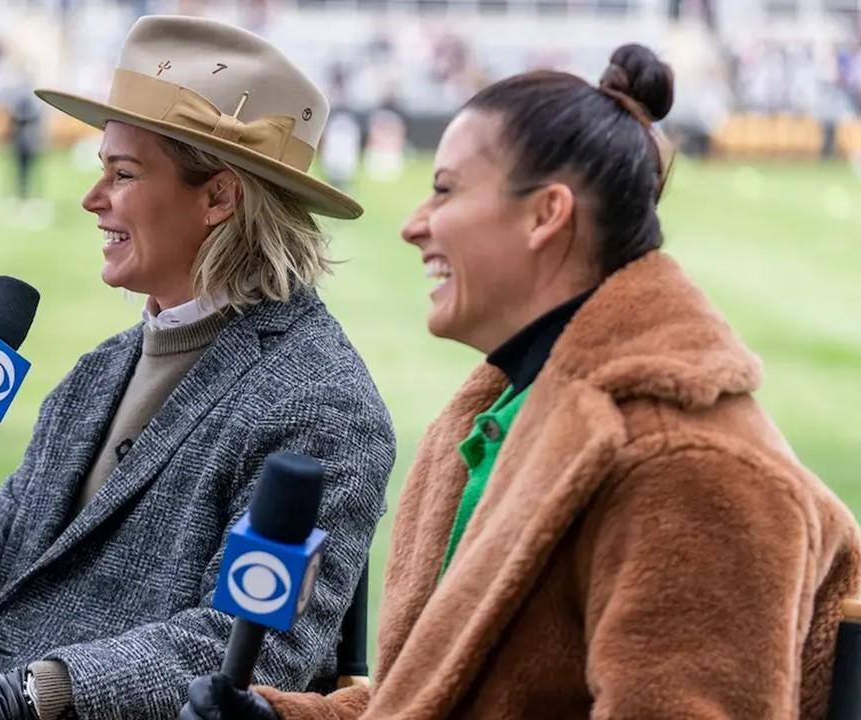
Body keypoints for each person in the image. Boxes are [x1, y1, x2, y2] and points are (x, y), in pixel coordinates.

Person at [182, 43, 861, 720]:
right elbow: (434, 701)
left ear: (547, 215)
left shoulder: (687, 465)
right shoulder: (501, 414)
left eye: (445, 190)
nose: (415, 224)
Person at [0, 15, 394, 720]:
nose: (90, 198)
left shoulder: (323, 402)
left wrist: (32, 695)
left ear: (220, 197)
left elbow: (249, 656)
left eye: (122, 174)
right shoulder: (99, 374)